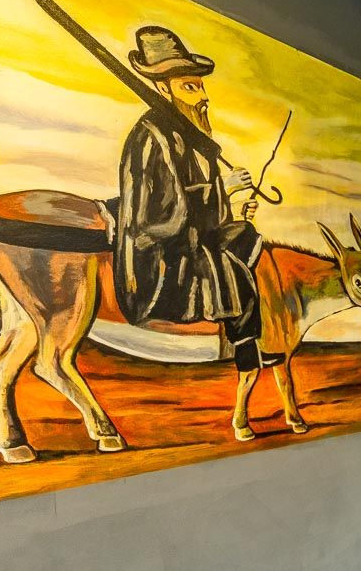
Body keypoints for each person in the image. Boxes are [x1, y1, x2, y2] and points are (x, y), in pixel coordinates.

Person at [115, 25, 281, 371]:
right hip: (161, 254)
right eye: (190, 87)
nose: (202, 96)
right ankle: (245, 353)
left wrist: (231, 207)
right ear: (164, 88)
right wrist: (224, 188)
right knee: (227, 265)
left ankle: (249, 341)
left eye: (200, 86)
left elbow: (208, 212)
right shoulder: (152, 137)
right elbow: (161, 216)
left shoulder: (187, 136)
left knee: (246, 235)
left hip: (190, 237)